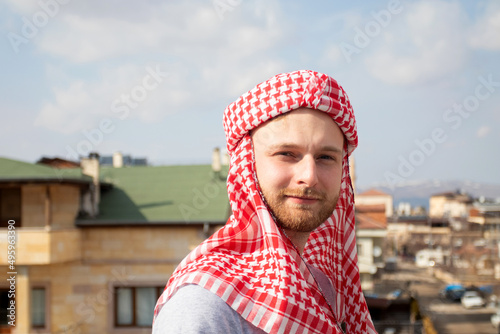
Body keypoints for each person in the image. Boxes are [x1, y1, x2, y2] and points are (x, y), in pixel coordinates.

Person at [153, 70, 377, 334]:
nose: (309, 176)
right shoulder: (206, 306)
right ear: (248, 164)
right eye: (286, 154)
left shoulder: (324, 288)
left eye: (326, 157)